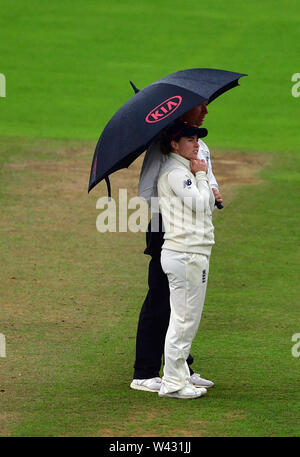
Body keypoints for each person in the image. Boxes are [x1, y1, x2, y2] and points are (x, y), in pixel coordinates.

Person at [130, 102, 222, 393]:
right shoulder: (161, 147)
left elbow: (205, 179)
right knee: (161, 298)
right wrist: (176, 212)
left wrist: (210, 189)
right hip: (167, 229)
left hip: (191, 228)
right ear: (183, 111)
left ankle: (182, 368)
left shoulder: (198, 144)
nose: (206, 111)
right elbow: (148, 190)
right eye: (201, 107)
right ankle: (145, 372)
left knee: (183, 304)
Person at [157, 122, 215, 399]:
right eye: (190, 139)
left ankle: (180, 378)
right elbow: (200, 204)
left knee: (187, 320)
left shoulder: (183, 170)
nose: (196, 144)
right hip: (185, 254)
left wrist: (203, 182)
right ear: (174, 144)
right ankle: (172, 382)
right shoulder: (176, 172)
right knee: (183, 320)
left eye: (197, 139)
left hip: (191, 252)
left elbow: (204, 205)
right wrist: (203, 177)